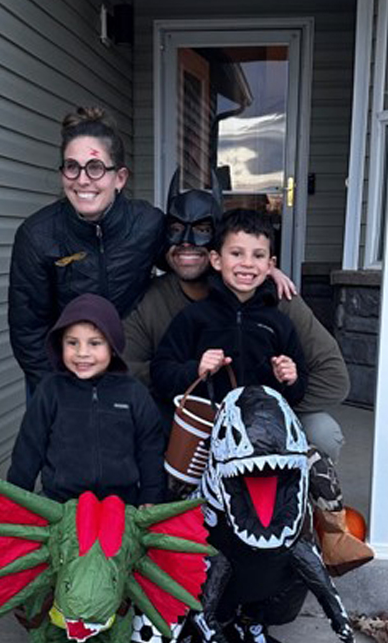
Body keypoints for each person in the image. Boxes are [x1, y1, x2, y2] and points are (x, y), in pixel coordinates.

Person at [124, 187, 349, 461]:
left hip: (268, 415)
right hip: (193, 413)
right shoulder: (157, 299)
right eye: (176, 229)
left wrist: (268, 402)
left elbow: (333, 377)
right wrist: (195, 384)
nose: (187, 243)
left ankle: (301, 486)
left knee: (323, 432)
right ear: (221, 258)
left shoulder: (276, 297)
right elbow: (128, 369)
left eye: (202, 229)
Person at [8, 106, 166, 395]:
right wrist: (58, 393)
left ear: (119, 178)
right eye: (72, 167)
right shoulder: (37, 236)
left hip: (128, 374)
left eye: (95, 168)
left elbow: (191, 258)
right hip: (60, 376)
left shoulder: (146, 224)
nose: (82, 180)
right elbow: (28, 330)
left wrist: (259, 267)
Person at [7, 293, 165, 507]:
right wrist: (13, 499)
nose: (82, 353)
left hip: (121, 506)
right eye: (72, 343)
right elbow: (28, 448)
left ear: (113, 345)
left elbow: (150, 450)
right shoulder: (51, 391)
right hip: (60, 503)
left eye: (95, 343)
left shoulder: (134, 393)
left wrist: (150, 498)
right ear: (60, 343)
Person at [150, 209, 308, 407]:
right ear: (216, 260)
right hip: (206, 424)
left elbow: (298, 389)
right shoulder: (194, 317)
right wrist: (196, 370)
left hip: (260, 428)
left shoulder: (280, 323)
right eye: (236, 254)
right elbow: (161, 373)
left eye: (258, 255)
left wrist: (289, 379)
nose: (247, 264)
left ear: (270, 265)